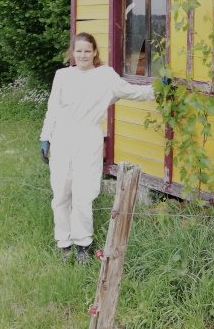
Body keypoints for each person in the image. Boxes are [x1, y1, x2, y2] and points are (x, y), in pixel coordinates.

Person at [39, 32, 155, 264]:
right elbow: (53, 108)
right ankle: (64, 243)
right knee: (61, 193)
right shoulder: (62, 76)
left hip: (89, 140)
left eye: (86, 51)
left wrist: (159, 89)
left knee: (84, 195)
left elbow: (134, 92)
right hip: (62, 140)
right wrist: (46, 137)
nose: (82, 55)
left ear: (94, 53)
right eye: (78, 51)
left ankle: (82, 243)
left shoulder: (105, 76)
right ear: (72, 53)